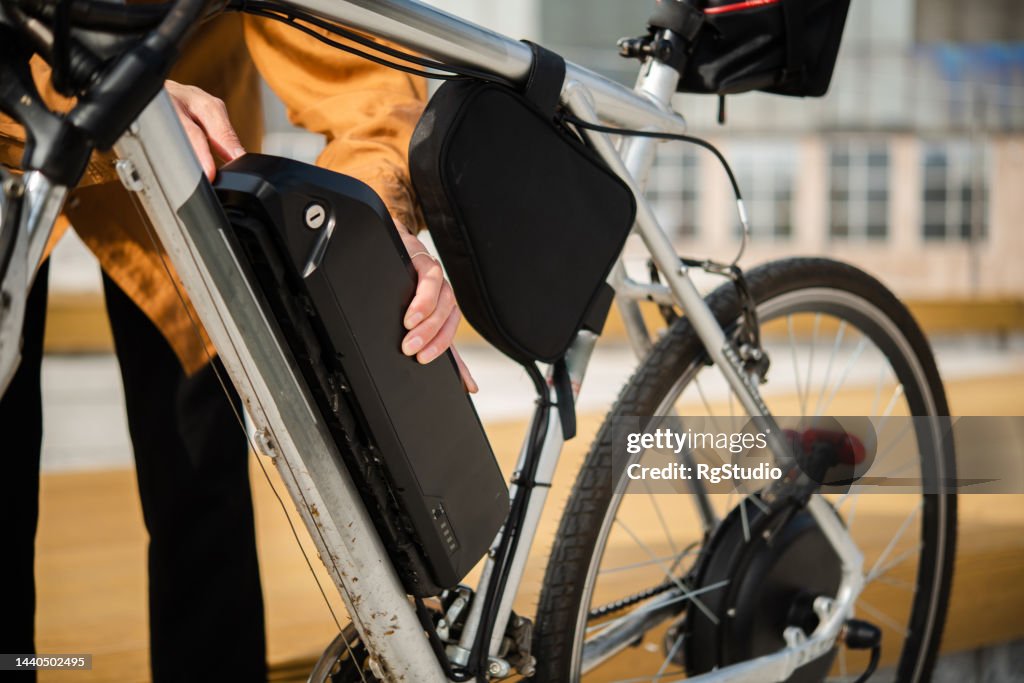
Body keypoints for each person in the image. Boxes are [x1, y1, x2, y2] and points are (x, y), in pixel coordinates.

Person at [0, 12, 474, 681]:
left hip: (182, 172)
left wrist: (375, 232)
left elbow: (361, 76)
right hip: (16, 134)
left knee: (202, 481)